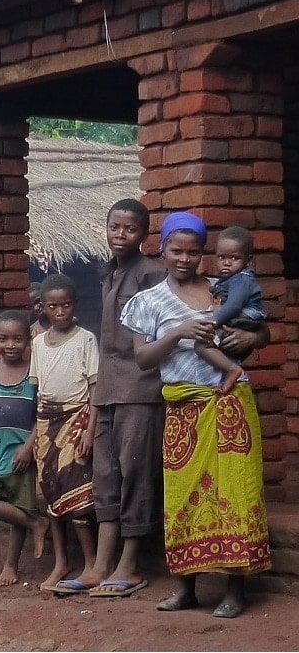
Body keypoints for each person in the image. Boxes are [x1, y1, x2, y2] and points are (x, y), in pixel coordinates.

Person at [121, 211, 271, 618]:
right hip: (184, 409)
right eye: (176, 251)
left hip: (230, 402)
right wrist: (177, 332)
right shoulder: (147, 302)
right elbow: (143, 360)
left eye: (194, 252)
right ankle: (185, 588)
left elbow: (263, 330)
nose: (185, 259)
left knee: (235, 495)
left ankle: (235, 591)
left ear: (205, 253)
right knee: (183, 498)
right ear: (162, 251)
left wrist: (253, 336)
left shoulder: (222, 289)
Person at [78, 198, 167, 598]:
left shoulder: (152, 273)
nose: (121, 235)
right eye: (115, 227)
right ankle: (99, 564)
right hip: (110, 389)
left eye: (130, 229)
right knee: (106, 476)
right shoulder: (109, 273)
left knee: (136, 474)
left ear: (144, 235)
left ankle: (129, 565)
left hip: (142, 388)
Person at [29, 274, 99, 594]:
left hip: (76, 420)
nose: (60, 312)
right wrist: (36, 437)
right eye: (53, 306)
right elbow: (39, 392)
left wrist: (90, 429)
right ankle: (61, 561)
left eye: (66, 305)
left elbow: (95, 389)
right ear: (42, 307)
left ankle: (91, 562)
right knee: (52, 493)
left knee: (79, 493)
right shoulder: (37, 343)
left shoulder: (85, 339)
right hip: (47, 424)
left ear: (75, 305)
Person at [0, 309, 50, 587]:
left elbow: (42, 413)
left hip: (20, 454)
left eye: (17, 339)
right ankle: (36, 523)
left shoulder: (34, 373)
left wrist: (29, 447)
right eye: (4, 339)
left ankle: (10, 565)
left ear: (28, 340)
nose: (10, 345)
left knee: (19, 505)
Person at [193, 226, 265, 393]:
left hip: (244, 317)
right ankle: (230, 370)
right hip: (241, 319)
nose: (226, 263)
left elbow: (233, 305)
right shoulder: (229, 279)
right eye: (221, 257)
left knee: (201, 345)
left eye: (234, 258)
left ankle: (232, 370)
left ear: (248, 260)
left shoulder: (241, 279)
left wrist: (215, 322)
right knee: (223, 347)